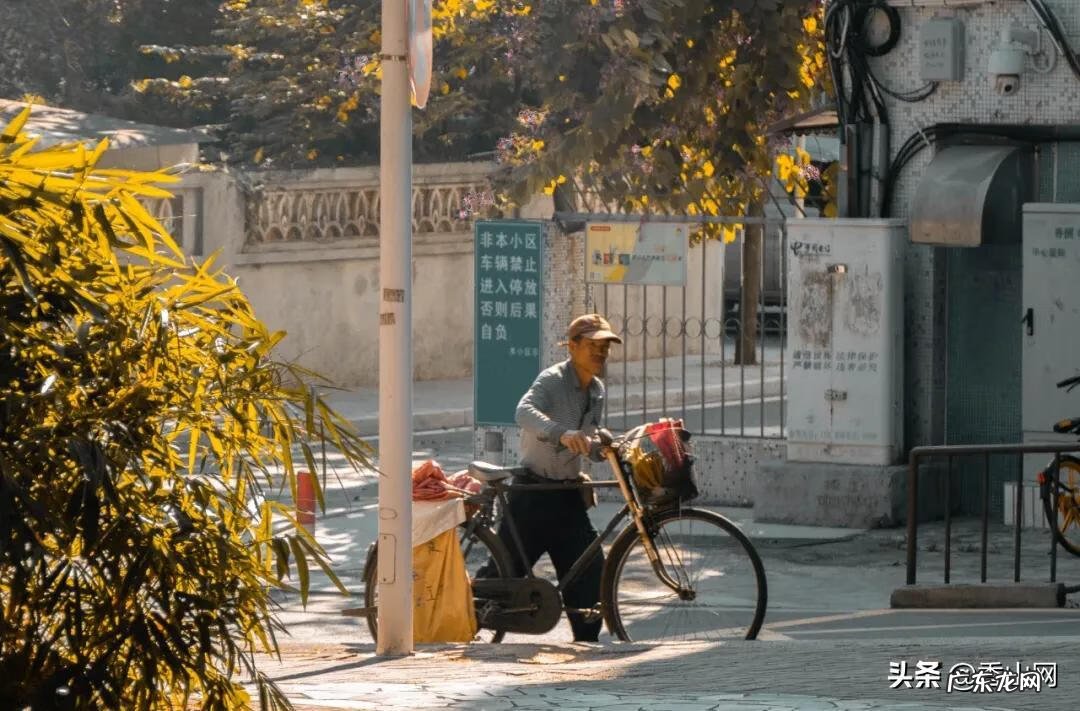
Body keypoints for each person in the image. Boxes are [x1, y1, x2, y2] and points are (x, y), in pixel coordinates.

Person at [485, 313, 622, 641]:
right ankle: (460, 622)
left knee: (589, 574)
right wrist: (559, 433)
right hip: (532, 495)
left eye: (605, 347)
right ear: (572, 346)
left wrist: (600, 449)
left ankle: (587, 646)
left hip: (568, 496)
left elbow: (584, 440)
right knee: (504, 577)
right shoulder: (552, 380)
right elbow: (523, 412)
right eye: (593, 346)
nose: (600, 354)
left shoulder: (597, 390)